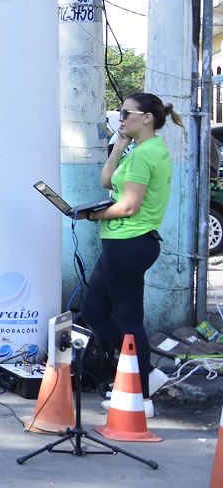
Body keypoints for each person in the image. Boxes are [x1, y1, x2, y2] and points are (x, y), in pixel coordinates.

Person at [81, 93, 179, 412]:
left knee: (129, 319)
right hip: (123, 242)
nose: (120, 118)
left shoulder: (146, 154)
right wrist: (120, 145)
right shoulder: (140, 149)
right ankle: (145, 373)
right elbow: (107, 180)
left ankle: (141, 393)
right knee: (94, 310)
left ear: (147, 117)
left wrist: (90, 215)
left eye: (126, 113)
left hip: (130, 242)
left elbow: (128, 206)